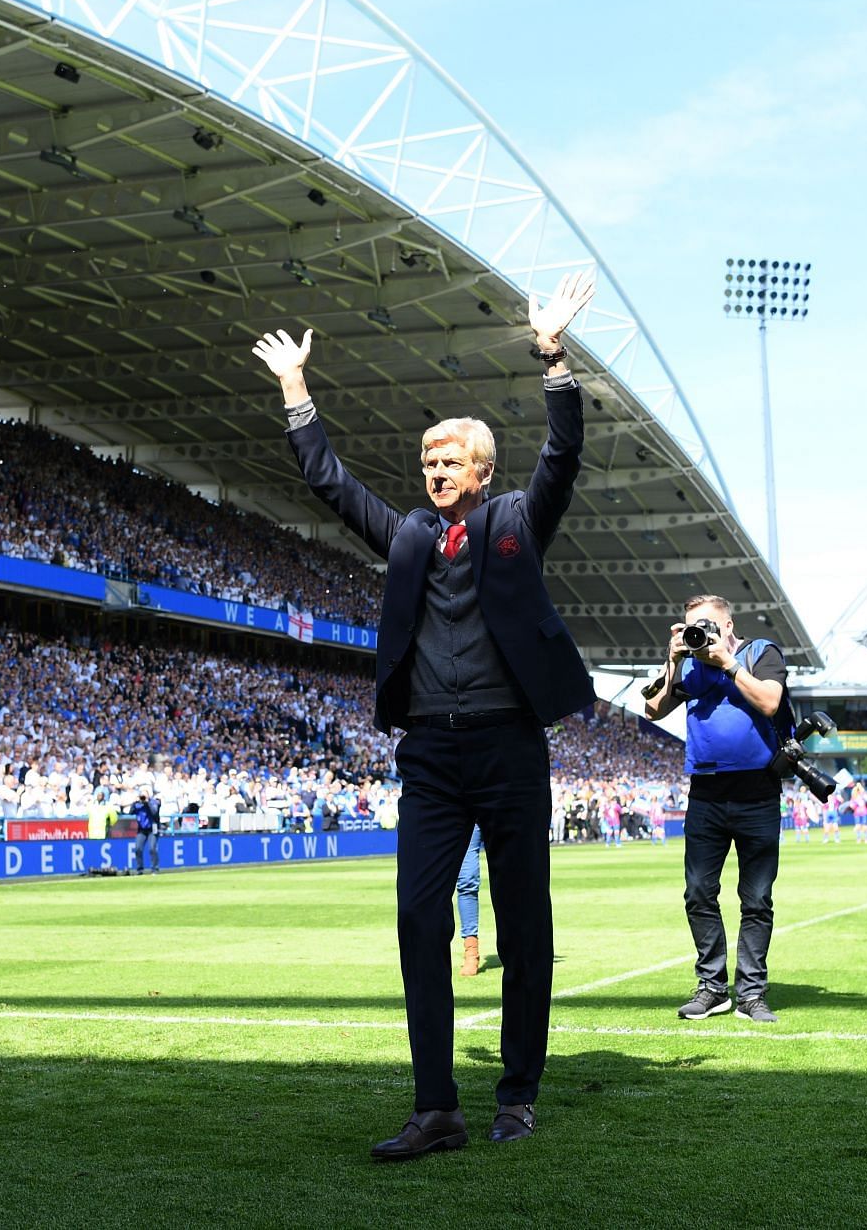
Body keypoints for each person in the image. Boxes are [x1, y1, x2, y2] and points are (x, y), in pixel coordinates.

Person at [252, 270, 597, 1160]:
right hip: (429, 760)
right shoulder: (408, 535)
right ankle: (436, 1106)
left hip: (511, 748)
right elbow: (331, 484)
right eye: (428, 463)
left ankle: (517, 1093)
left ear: (484, 472)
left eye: (452, 462)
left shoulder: (518, 521)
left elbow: (564, 455)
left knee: (524, 923)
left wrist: (551, 355)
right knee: (416, 917)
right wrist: (297, 393)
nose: (437, 471)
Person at [642, 593, 792, 1026]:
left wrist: (727, 663)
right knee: (698, 893)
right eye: (693, 625)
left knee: (757, 898)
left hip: (757, 792)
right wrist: (671, 660)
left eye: (708, 624)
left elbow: (769, 702)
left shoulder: (760, 652)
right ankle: (712, 986)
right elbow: (652, 710)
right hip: (705, 793)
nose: (700, 633)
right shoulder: (688, 663)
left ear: (728, 626)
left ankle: (751, 992)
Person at [454, 825, 485, 977]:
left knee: (509, 878)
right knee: (467, 880)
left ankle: (517, 945)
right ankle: (471, 950)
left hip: (500, 805)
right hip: (467, 812)